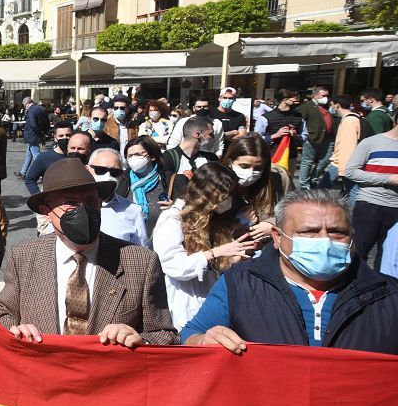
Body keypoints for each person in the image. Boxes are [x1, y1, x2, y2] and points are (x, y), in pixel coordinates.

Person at [182, 189, 398, 355]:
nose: (325, 240)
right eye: (309, 232)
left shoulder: (389, 294)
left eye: (337, 232)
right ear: (277, 237)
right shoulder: (239, 283)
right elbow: (190, 336)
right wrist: (204, 340)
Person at [0, 158, 178, 346]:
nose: (83, 211)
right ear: (46, 211)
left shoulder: (141, 262)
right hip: (43, 372)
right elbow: (2, 312)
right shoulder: (24, 256)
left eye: (91, 201)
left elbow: (165, 335)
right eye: (70, 203)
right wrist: (13, 329)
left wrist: (140, 340)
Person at [152, 163, 258, 330]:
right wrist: (214, 253)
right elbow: (172, 266)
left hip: (212, 301)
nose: (228, 201)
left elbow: (216, 267)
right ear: (206, 195)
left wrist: (234, 258)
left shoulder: (214, 219)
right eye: (224, 196)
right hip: (184, 303)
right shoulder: (173, 218)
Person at [344, 119, 398, 265]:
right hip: (370, 204)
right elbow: (350, 172)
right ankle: (353, 285)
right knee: (358, 252)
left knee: (388, 258)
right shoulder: (371, 142)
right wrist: (387, 179)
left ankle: (385, 287)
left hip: (396, 209)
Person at [222, 134, 290, 244]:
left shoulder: (278, 179)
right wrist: (239, 223)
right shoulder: (216, 182)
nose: (250, 173)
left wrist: (273, 224)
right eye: (244, 166)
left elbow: (292, 211)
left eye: (258, 168)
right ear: (230, 162)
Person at [87, 148, 149, 247]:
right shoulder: (70, 205)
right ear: (87, 170)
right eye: (100, 170)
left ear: (121, 176)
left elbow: (143, 252)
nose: (107, 175)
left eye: (114, 172)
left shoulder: (133, 210)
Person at [119, 136, 168, 238]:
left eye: (137, 154)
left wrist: (175, 208)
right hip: (129, 246)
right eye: (129, 156)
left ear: (152, 156)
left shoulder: (169, 181)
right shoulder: (121, 182)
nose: (133, 159)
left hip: (162, 245)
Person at [162, 116, 219, 200]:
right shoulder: (169, 157)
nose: (213, 137)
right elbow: (166, 187)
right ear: (197, 134)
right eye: (210, 134)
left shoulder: (211, 158)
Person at [298, 85, 335, 189]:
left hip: (328, 137)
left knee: (325, 160)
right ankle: (304, 184)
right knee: (308, 161)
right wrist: (306, 134)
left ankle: (313, 179)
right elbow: (300, 120)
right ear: (315, 95)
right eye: (323, 95)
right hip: (312, 138)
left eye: (327, 95)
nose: (326, 98)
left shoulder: (328, 107)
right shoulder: (306, 106)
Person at [324, 94, 363, 193]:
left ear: (337, 105)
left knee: (323, 188)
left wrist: (344, 168)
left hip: (341, 162)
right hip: (343, 161)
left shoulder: (349, 121)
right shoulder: (351, 118)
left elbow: (348, 145)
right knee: (351, 189)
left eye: (332, 105)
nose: (331, 108)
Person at [258, 88, 304, 164]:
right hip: (272, 155)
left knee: (288, 176)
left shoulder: (298, 116)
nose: (297, 101)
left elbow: (304, 136)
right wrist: (275, 135)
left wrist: (296, 136)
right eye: (295, 99)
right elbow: (257, 138)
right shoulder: (266, 117)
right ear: (285, 99)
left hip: (291, 156)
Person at [17, 96, 49, 179]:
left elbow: (32, 124)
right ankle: (23, 172)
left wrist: (40, 134)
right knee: (29, 154)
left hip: (32, 135)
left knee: (36, 156)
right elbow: (46, 121)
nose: (25, 107)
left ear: (27, 104)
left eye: (24, 105)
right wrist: (44, 132)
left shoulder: (31, 110)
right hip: (36, 134)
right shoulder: (41, 108)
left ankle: (43, 175)